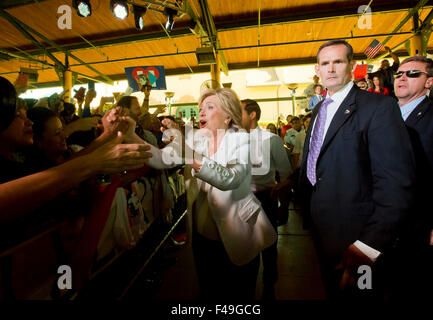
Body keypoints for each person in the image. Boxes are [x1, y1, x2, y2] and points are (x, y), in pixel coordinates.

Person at [130, 88, 277, 300]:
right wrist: (129, 134)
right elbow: (159, 159)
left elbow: (229, 179)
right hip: (202, 239)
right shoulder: (195, 140)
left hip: (239, 235)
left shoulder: (243, 141)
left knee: (239, 296)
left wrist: (186, 152)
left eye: (209, 107)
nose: (201, 113)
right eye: (200, 108)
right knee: (208, 293)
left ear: (228, 115)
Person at [298, 40, 415, 299]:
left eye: (338, 62)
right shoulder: (319, 109)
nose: (330, 69)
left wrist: (369, 246)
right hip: (323, 232)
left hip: (360, 237)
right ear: (317, 70)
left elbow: (396, 183)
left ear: (351, 66)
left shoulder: (378, 107)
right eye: (324, 64)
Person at [0, 76, 152, 227]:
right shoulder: (29, 165)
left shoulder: (17, 163)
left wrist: (109, 137)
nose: (29, 123)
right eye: (17, 116)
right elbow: (49, 179)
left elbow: (59, 171)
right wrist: (94, 162)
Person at [391, 55, 433, 298]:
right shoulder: (385, 115)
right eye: (399, 74)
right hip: (384, 222)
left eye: (413, 74)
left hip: (417, 222)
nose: (402, 78)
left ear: (429, 82)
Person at [241, 98, 292, 299]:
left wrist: (282, 198)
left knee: (268, 245)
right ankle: (247, 287)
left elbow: (286, 172)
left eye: (240, 111)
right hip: (241, 199)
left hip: (265, 197)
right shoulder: (233, 140)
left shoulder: (271, 140)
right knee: (245, 245)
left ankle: (269, 285)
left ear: (252, 114)